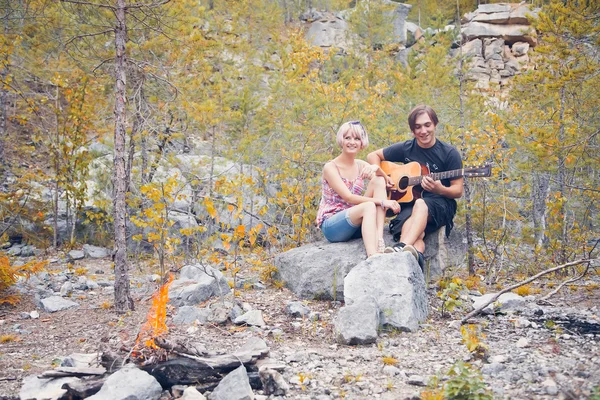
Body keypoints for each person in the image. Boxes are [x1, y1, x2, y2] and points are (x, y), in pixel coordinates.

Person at [366, 105, 464, 268]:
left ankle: (400, 247)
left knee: (421, 204)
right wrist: (384, 177)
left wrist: (440, 189)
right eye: (417, 127)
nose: (423, 131)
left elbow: (458, 190)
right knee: (416, 235)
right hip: (409, 203)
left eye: (427, 125)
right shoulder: (407, 148)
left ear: (435, 125)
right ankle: (414, 261)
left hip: (440, 204)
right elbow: (372, 155)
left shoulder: (449, 153)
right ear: (412, 130)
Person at [316, 121, 401, 258]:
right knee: (369, 206)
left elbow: (386, 183)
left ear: (362, 143)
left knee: (378, 181)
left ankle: (379, 239)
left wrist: (378, 169)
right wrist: (383, 202)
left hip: (354, 222)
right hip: (333, 225)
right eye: (347, 138)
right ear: (341, 140)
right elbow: (348, 197)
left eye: (357, 138)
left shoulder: (360, 165)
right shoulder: (330, 168)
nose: (352, 142)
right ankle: (372, 255)